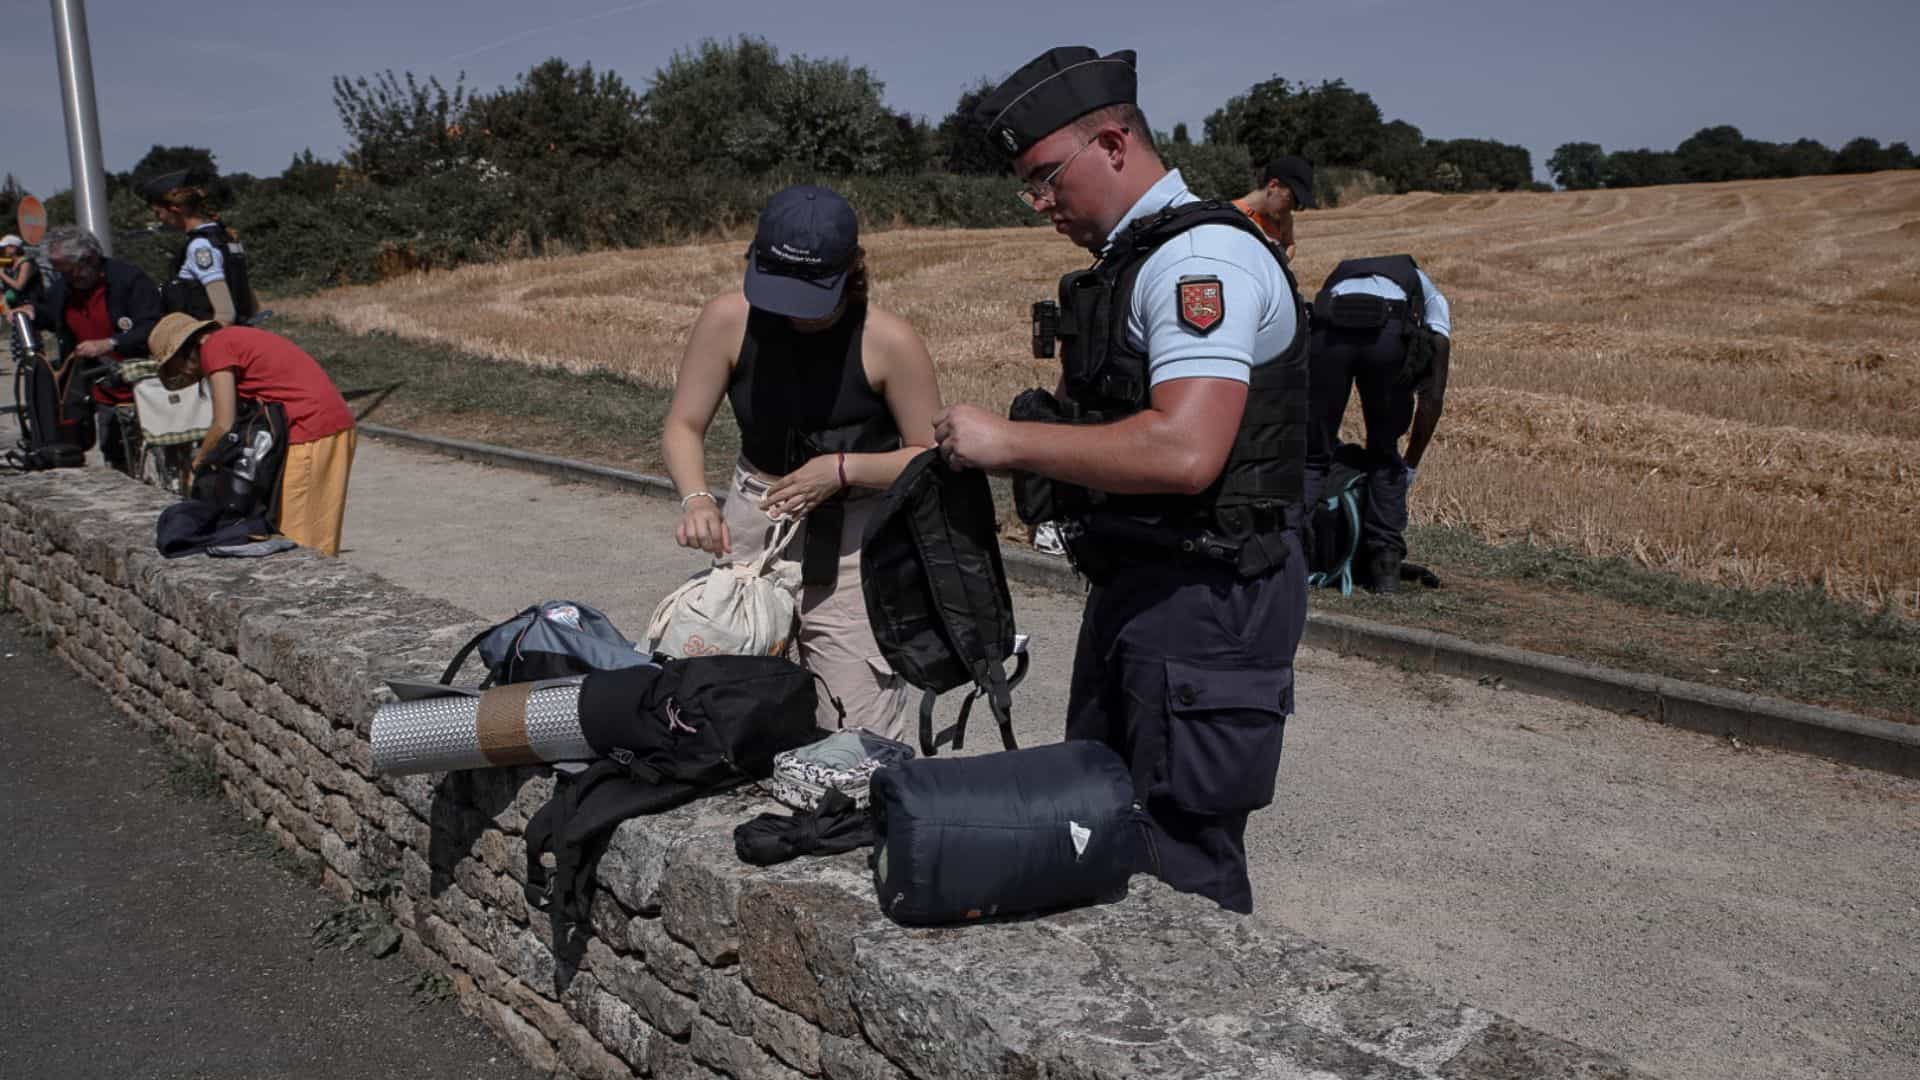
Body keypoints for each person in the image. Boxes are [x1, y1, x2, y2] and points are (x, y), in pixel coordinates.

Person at [933, 46, 1310, 914]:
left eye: (1045, 177)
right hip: (1148, 581)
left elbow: (1185, 451)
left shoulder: (1197, 263)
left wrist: (1014, 443)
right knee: (1100, 823)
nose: (1039, 205)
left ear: (1110, 142)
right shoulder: (1133, 260)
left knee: (1178, 853)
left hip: (1209, 589)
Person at [662, 184, 943, 739]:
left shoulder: (889, 342)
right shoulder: (727, 320)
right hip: (751, 524)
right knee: (726, 709)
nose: (795, 316)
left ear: (852, 271)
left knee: (854, 729)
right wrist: (697, 498)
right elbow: (683, 426)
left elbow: (931, 461)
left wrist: (844, 469)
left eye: (812, 298)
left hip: (855, 542)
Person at [147, 313, 357, 556]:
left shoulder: (216, 347)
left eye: (175, 367)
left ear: (183, 353)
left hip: (310, 428)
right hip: (332, 423)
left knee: (298, 536)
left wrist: (199, 463)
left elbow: (224, 423)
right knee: (318, 526)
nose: (185, 374)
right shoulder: (231, 338)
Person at [1306, 255, 1452, 592]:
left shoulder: (1341, 274)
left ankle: (1296, 555)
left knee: (1313, 456)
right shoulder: (1431, 296)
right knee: (1384, 455)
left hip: (1328, 335)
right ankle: (1385, 567)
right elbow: (1433, 398)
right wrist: (1410, 463)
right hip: (1387, 336)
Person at [19, 225, 164, 471]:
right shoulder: (64, 288)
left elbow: (153, 325)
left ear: (90, 259)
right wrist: (31, 312)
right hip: (92, 384)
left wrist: (110, 343)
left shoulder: (128, 279)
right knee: (105, 449)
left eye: (70, 271)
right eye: (60, 272)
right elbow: (51, 316)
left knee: (144, 451)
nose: (68, 278)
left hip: (137, 382)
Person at [139, 171, 259, 325]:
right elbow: (251, 303)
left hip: (217, 339)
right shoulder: (224, 236)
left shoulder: (200, 247)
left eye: (159, 213)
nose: (160, 219)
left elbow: (225, 313)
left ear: (175, 209)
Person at [1233, 156, 1315, 262]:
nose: (1292, 208)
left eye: (1297, 204)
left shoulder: (1284, 218)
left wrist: (1282, 265)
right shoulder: (1231, 217)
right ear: (1273, 185)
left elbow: (1289, 244)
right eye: (1292, 200)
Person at [1, 233, 40, 312]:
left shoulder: (26, 263)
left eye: (5, 247)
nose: (2, 250)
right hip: (16, 304)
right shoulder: (11, 263)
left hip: (30, 305)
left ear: (14, 248)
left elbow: (19, 286)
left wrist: (1, 274)